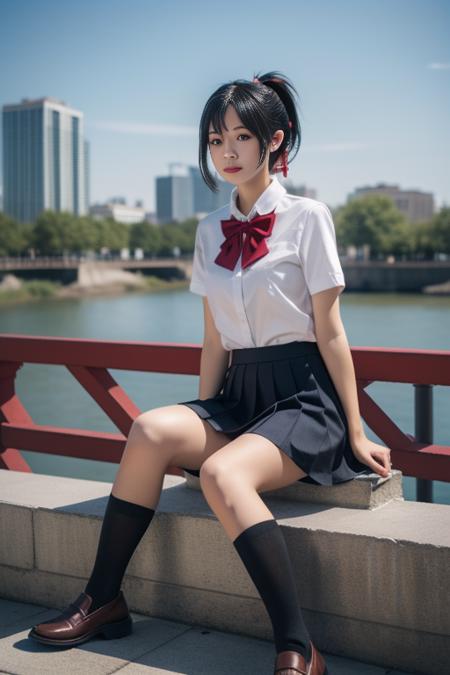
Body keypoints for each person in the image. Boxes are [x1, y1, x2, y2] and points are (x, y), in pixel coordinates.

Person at [28, 71, 392, 675]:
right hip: (238, 395)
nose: (226, 152)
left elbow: (331, 332)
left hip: (303, 400)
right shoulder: (207, 230)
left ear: (275, 140)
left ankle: (298, 645)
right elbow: (213, 338)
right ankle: (104, 600)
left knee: (225, 474)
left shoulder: (309, 218)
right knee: (148, 429)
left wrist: (355, 430)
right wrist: (202, 420)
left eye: (241, 138)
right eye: (216, 139)